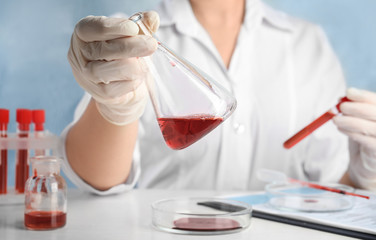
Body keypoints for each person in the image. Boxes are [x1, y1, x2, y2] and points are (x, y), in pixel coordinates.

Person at [62, 0, 376, 195]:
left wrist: (364, 174)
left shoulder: (307, 43)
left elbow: (336, 189)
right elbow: (98, 180)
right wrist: (114, 108)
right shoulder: (127, 36)